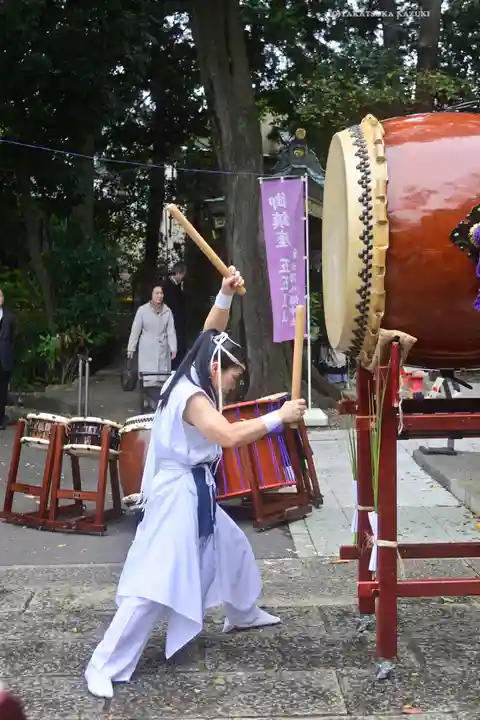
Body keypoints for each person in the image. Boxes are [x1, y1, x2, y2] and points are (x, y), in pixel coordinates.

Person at [85, 267, 306, 699]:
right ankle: (103, 665)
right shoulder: (192, 395)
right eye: (232, 376)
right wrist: (279, 417)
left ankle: (242, 612)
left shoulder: (191, 372)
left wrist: (224, 295)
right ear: (215, 368)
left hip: (193, 491)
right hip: (177, 497)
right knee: (154, 582)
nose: (234, 384)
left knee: (233, 546)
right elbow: (227, 436)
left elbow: (209, 335)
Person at [127, 285, 177, 410]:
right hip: (147, 349)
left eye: (161, 293)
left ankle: (159, 405)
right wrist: (131, 348)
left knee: (161, 379)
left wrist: (173, 347)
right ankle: (146, 402)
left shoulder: (167, 311)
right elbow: (135, 330)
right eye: (156, 293)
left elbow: (171, 331)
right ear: (151, 295)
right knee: (147, 378)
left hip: (162, 348)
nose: (159, 296)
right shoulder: (142, 310)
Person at [162, 261, 187, 371]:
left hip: (178, 321)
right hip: (172, 321)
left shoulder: (176, 286)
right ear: (178, 273)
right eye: (182, 275)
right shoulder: (167, 286)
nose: (183, 277)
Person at [0, 288, 14, 430]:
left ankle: (1, 419)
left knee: (2, 390)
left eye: (1, 296)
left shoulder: (9, 316)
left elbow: (12, 336)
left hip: (4, 358)